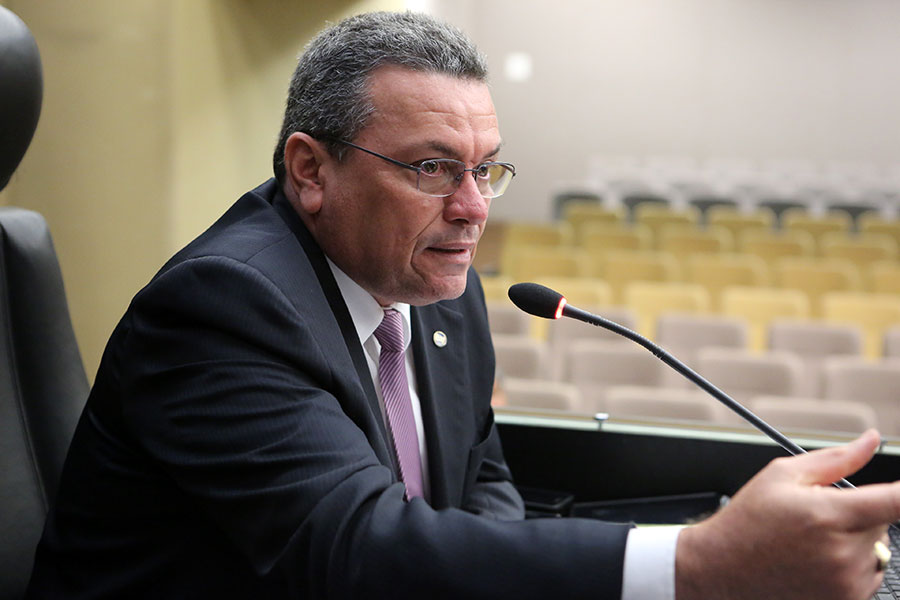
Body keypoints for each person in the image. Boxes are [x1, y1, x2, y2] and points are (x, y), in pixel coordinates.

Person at [26, 11, 900, 600]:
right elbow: (354, 550)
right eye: (432, 167)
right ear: (310, 170)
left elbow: (482, 479)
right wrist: (697, 563)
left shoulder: (436, 284)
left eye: (485, 169)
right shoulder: (223, 306)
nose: (474, 208)